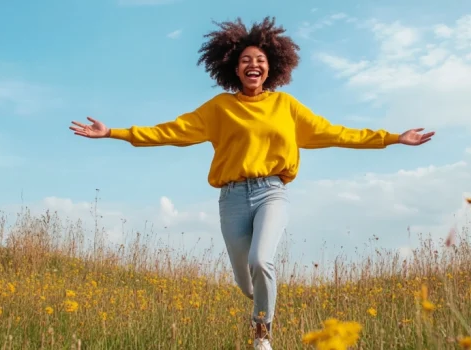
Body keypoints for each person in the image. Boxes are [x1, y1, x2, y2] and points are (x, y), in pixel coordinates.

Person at [70, 16, 434, 350]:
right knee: (247, 282)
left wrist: (391, 137)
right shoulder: (220, 109)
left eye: (259, 59)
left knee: (263, 261)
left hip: (271, 192)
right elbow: (171, 131)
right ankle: (262, 301)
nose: (253, 65)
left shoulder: (286, 106)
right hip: (231, 200)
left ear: (271, 66)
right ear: (234, 67)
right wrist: (114, 133)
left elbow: (336, 133)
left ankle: (262, 336)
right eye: (245, 60)